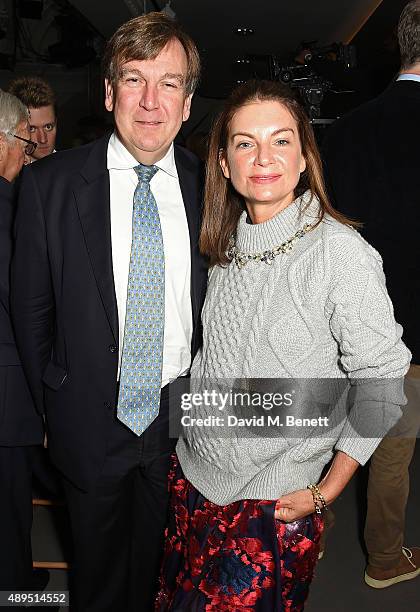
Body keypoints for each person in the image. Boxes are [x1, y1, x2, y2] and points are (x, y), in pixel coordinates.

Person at [155, 79, 411, 611]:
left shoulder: (341, 255)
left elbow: (384, 379)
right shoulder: (224, 244)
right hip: (194, 483)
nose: (263, 157)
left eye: (281, 140)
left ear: (303, 157)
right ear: (224, 163)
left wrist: (327, 489)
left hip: (274, 502)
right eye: (245, 142)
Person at [11, 13, 206, 612]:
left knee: (162, 577)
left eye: (168, 83)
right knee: (96, 584)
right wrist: (53, 406)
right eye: (133, 79)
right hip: (88, 421)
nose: (150, 101)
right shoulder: (50, 184)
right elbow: (30, 314)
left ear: (188, 102)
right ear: (107, 92)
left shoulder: (210, 187)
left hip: (181, 426)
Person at [322, 0, 420, 588]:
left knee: (354, 439)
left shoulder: (350, 128)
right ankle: (383, 557)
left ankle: (301, 546)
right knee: (393, 453)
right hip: (412, 333)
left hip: (354, 320)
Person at [0, 91, 44, 593]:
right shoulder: (8, 209)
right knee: (9, 516)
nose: (26, 150)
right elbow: (23, 304)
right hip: (8, 395)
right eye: (21, 139)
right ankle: (17, 596)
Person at [7, 76, 57, 161]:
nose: (43, 139)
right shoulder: (7, 172)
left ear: (56, 123)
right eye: (32, 129)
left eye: (48, 127)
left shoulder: (73, 168)